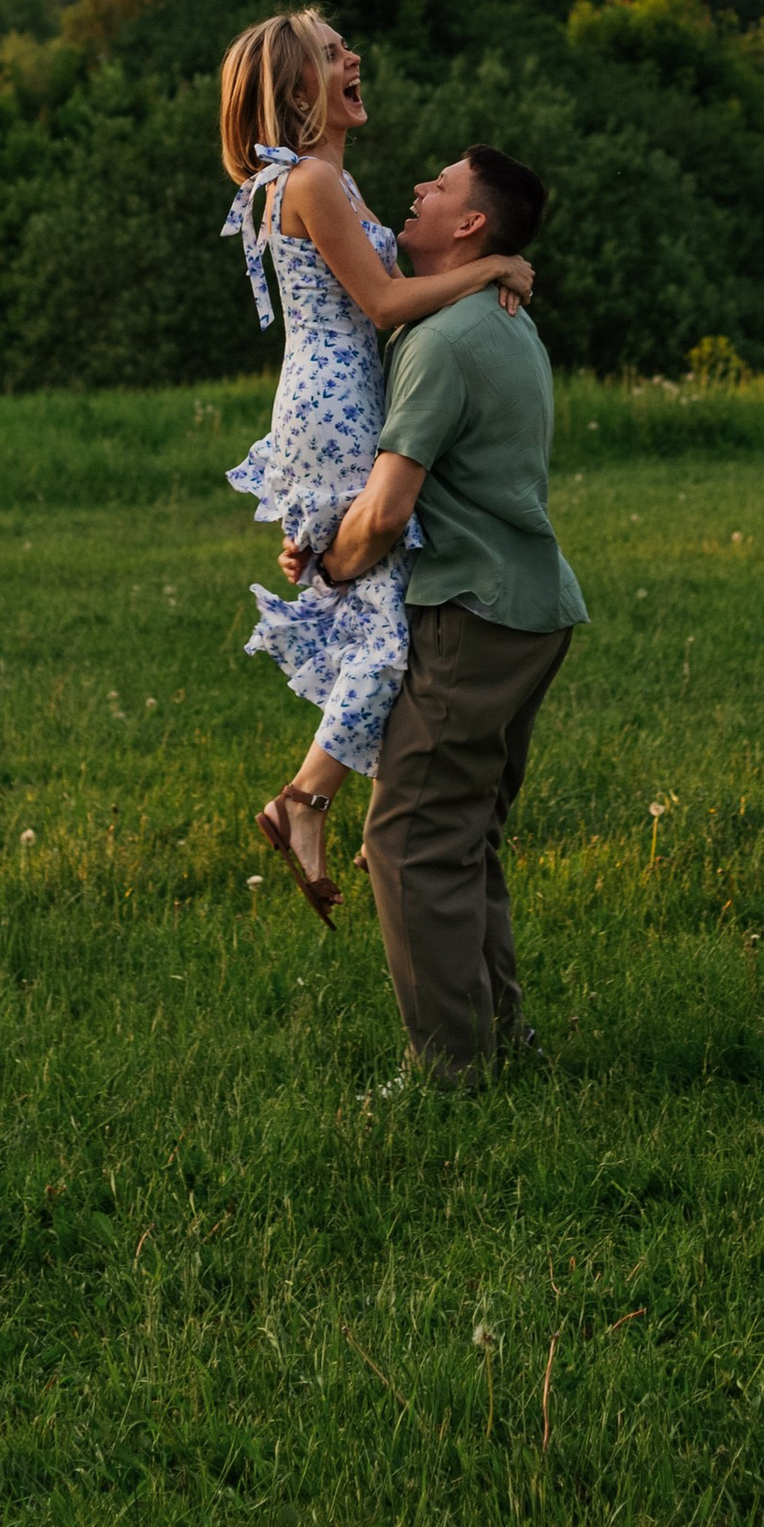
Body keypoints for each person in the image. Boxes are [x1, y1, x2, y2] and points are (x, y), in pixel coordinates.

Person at [220, 10, 535, 924]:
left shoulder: (328, 179)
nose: (352, 56)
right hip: (335, 403)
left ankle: (347, 805)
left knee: (373, 613)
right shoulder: (313, 180)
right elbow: (387, 301)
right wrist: (493, 266)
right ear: (296, 90)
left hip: (335, 398)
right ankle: (312, 801)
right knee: (391, 632)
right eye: (330, 54)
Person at [310, 142, 585, 1085]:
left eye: (439, 186)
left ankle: (451, 1072)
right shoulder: (495, 318)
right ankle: (500, 1044)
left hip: (474, 614)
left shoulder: (443, 341)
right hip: (528, 607)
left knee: (410, 840)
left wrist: (330, 564)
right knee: (462, 839)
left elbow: (388, 509)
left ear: (470, 223)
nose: (417, 191)